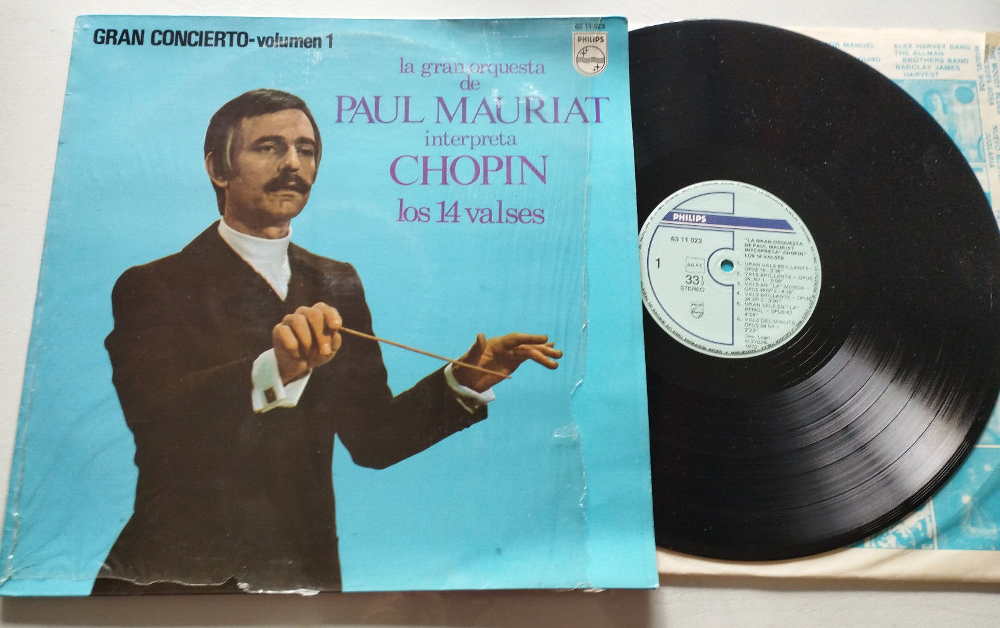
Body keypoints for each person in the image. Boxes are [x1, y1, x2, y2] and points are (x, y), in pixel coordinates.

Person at [91, 89, 562, 595]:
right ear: (218, 168)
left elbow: (375, 439)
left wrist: (464, 381)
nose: (293, 164)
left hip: (303, 576)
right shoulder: (154, 284)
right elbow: (157, 418)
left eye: (306, 149)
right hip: (175, 583)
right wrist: (277, 369)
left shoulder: (337, 281)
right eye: (269, 147)